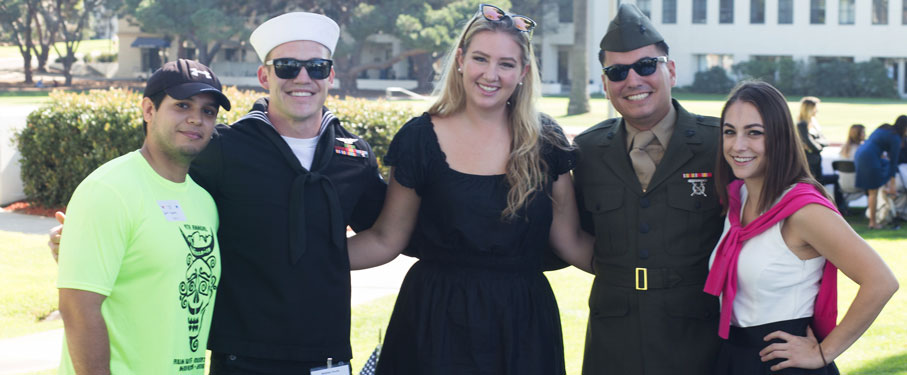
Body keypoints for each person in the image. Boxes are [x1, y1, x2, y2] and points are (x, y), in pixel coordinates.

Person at [50, 12, 387, 374]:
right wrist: (83, 237)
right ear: (265, 76)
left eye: (317, 67)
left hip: (328, 356)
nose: (303, 77)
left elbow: (383, 233)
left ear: (330, 76)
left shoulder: (353, 155)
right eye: (287, 66)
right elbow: (150, 185)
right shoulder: (223, 148)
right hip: (243, 357)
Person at [346, 4, 593, 374]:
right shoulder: (419, 139)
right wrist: (300, 259)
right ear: (460, 59)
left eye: (506, 64)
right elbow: (385, 239)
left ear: (523, 71)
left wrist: (658, 272)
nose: (490, 74)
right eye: (480, 58)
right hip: (434, 320)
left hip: (522, 324)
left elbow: (570, 241)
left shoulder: (545, 141)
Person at [705, 81, 898, 374]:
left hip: (784, 363)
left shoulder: (803, 210)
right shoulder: (737, 197)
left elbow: (881, 281)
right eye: (730, 132)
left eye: (754, 133)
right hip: (735, 356)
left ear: (780, 137)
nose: (738, 145)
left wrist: (823, 353)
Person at [572, 4, 723, 374]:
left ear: (670, 69)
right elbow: (576, 233)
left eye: (645, 66)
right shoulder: (587, 151)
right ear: (605, 84)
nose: (633, 81)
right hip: (614, 335)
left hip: (697, 335)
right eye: (617, 72)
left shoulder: (719, 144)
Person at [56, 59, 231, 374]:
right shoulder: (109, 190)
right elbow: (77, 310)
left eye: (208, 111)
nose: (196, 119)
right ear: (148, 110)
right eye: (182, 105)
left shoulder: (204, 202)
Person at [854, 117, 907, 229]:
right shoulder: (896, 138)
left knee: (875, 185)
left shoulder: (884, 128)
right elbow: (894, 162)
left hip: (860, 154)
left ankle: (886, 188)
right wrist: (892, 184)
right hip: (869, 158)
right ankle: (873, 223)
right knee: (873, 191)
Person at [797, 96, 828, 179]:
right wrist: (818, 146)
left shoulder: (814, 123)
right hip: (809, 161)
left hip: (816, 159)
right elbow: (810, 143)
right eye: (815, 108)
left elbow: (825, 141)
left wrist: (817, 144)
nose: (817, 110)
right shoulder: (802, 125)